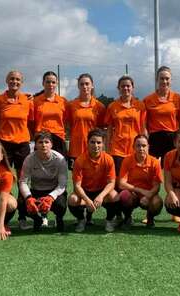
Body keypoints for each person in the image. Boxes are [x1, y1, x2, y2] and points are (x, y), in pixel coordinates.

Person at [143, 66, 180, 224]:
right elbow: (145, 123)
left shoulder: (178, 99)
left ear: (171, 80)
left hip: (171, 138)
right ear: (157, 80)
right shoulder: (148, 100)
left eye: (167, 78)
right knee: (152, 175)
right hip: (154, 139)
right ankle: (150, 213)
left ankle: (175, 210)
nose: (164, 81)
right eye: (161, 78)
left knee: (174, 176)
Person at [0, 70, 34, 230]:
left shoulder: (27, 100)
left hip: (23, 144)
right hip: (4, 144)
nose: (14, 82)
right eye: (11, 79)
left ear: (21, 82)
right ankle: (5, 219)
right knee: (6, 181)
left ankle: (22, 217)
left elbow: (31, 122)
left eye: (17, 79)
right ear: (6, 80)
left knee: (23, 181)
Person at [67, 73, 106, 225]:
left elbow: (102, 128)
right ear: (78, 86)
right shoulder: (71, 105)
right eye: (82, 84)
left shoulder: (99, 106)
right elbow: (69, 124)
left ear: (92, 86)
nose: (85, 87)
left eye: (87, 84)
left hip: (94, 151)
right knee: (79, 184)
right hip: (76, 150)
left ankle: (89, 217)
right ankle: (81, 217)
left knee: (93, 181)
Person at [68, 128, 119, 232]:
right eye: (92, 142)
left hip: (101, 191)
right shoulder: (80, 160)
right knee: (72, 199)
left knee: (114, 196)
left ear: (103, 144)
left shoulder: (108, 159)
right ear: (87, 143)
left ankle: (109, 221)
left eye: (99, 142)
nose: (96, 145)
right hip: (85, 191)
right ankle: (81, 220)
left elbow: (111, 183)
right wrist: (86, 200)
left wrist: (101, 196)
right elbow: (77, 186)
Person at [18, 130, 68, 232]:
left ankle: (59, 218)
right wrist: (28, 198)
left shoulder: (60, 159)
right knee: (21, 203)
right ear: (35, 145)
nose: (43, 145)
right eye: (40, 142)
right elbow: (23, 181)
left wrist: (51, 197)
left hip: (53, 190)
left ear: (51, 144)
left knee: (61, 204)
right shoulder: (29, 159)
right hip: (36, 190)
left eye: (46, 142)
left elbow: (62, 184)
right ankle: (37, 219)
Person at [117, 135, 163, 228]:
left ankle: (150, 218)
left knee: (157, 202)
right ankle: (127, 217)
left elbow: (157, 186)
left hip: (148, 195)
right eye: (138, 145)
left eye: (144, 145)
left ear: (148, 147)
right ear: (133, 147)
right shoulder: (127, 160)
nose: (141, 148)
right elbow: (121, 184)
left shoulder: (155, 162)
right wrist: (141, 191)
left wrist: (148, 196)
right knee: (124, 196)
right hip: (132, 194)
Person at [105, 75, 147, 176]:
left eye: (128, 86)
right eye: (122, 86)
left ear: (132, 87)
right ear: (118, 88)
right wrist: (107, 150)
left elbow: (143, 128)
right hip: (117, 150)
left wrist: (145, 148)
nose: (125, 88)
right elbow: (109, 130)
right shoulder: (112, 106)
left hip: (135, 149)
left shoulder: (140, 106)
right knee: (119, 181)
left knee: (135, 179)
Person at [33, 71, 68, 157]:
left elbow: (66, 121)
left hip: (59, 139)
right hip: (41, 140)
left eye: (53, 82)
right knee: (40, 169)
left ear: (57, 83)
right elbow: (31, 121)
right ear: (43, 83)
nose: (50, 84)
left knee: (59, 169)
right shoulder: (35, 101)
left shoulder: (63, 101)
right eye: (48, 82)